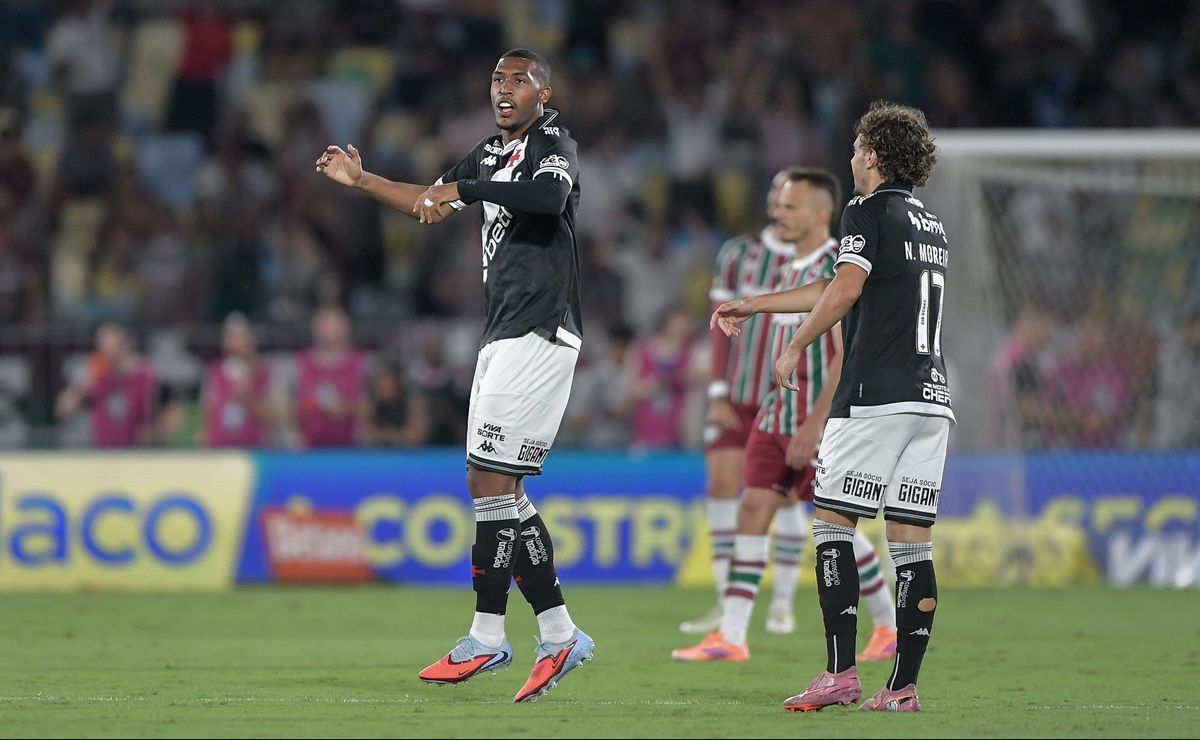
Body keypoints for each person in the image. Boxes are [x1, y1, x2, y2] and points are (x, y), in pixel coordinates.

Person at [316, 48, 592, 703]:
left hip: (540, 328)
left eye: (519, 79)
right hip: (503, 331)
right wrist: (363, 180)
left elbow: (550, 198)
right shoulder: (487, 154)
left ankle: (488, 634)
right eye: (497, 78)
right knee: (496, 484)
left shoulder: (554, 141)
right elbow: (430, 204)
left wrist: (468, 189)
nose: (504, 88)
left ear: (544, 94)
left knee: (487, 480)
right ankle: (559, 633)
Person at [714, 101, 951, 712]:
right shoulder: (931, 224)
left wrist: (795, 345)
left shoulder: (866, 210)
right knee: (911, 542)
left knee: (833, 526)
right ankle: (901, 688)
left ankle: (840, 675)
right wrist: (757, 305)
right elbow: (838, 284)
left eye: (855, 148)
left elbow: (845, 288)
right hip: (931, 400)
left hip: (874, 397)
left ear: (871, 155)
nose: (851, 158)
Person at [674, 169, 896, 663]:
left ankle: (887, 625)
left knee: (835, 525)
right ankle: (732, 636)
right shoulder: (792, 269)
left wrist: (814, 426)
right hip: (775, 417)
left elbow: (842, 356)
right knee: (752, 510)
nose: (779, 214)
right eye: (778, 205)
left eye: (791, 207)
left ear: (820, 213)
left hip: (812, 424)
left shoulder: (838, 266)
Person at [56, 322, 157, 447]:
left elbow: (155, 419)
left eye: (113, 347)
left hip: (135, 450)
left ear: (125, 345)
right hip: (103, 451)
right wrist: (79, 387)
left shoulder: (143, 374)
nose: (108, 353)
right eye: (103, 348)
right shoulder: (96, 374)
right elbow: (63, 411)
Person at [293, 306, 369, 448]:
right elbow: (293, 405)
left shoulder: (359, 363)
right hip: (310, 446)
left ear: (345, 329)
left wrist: (346, 408)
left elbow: (368, 405)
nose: (330, 331)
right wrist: (318, 407)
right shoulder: (303, 363)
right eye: (325, 325)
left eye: (335, 326)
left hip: (350, 446)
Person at [200, 312, 274, 448]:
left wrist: (248, 399)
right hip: (219, 451)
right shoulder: (214, 371)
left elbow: (275, 420)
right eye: (231, 337)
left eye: (240, 337)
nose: (235, 343)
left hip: (253, 451)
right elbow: (206, 413)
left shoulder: (264, 374)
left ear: (250, 340)